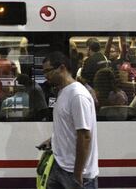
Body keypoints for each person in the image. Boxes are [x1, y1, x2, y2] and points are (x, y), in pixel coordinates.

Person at [38, 51, 98, 189]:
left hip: (74, 172)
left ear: (62, 68)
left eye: (48, 71)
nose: (45, 76)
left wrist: (78, 174)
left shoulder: (77, 95)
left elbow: (85, 136)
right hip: (59, 165)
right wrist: (52, 140)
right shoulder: (63, 92)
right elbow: (68, 125)